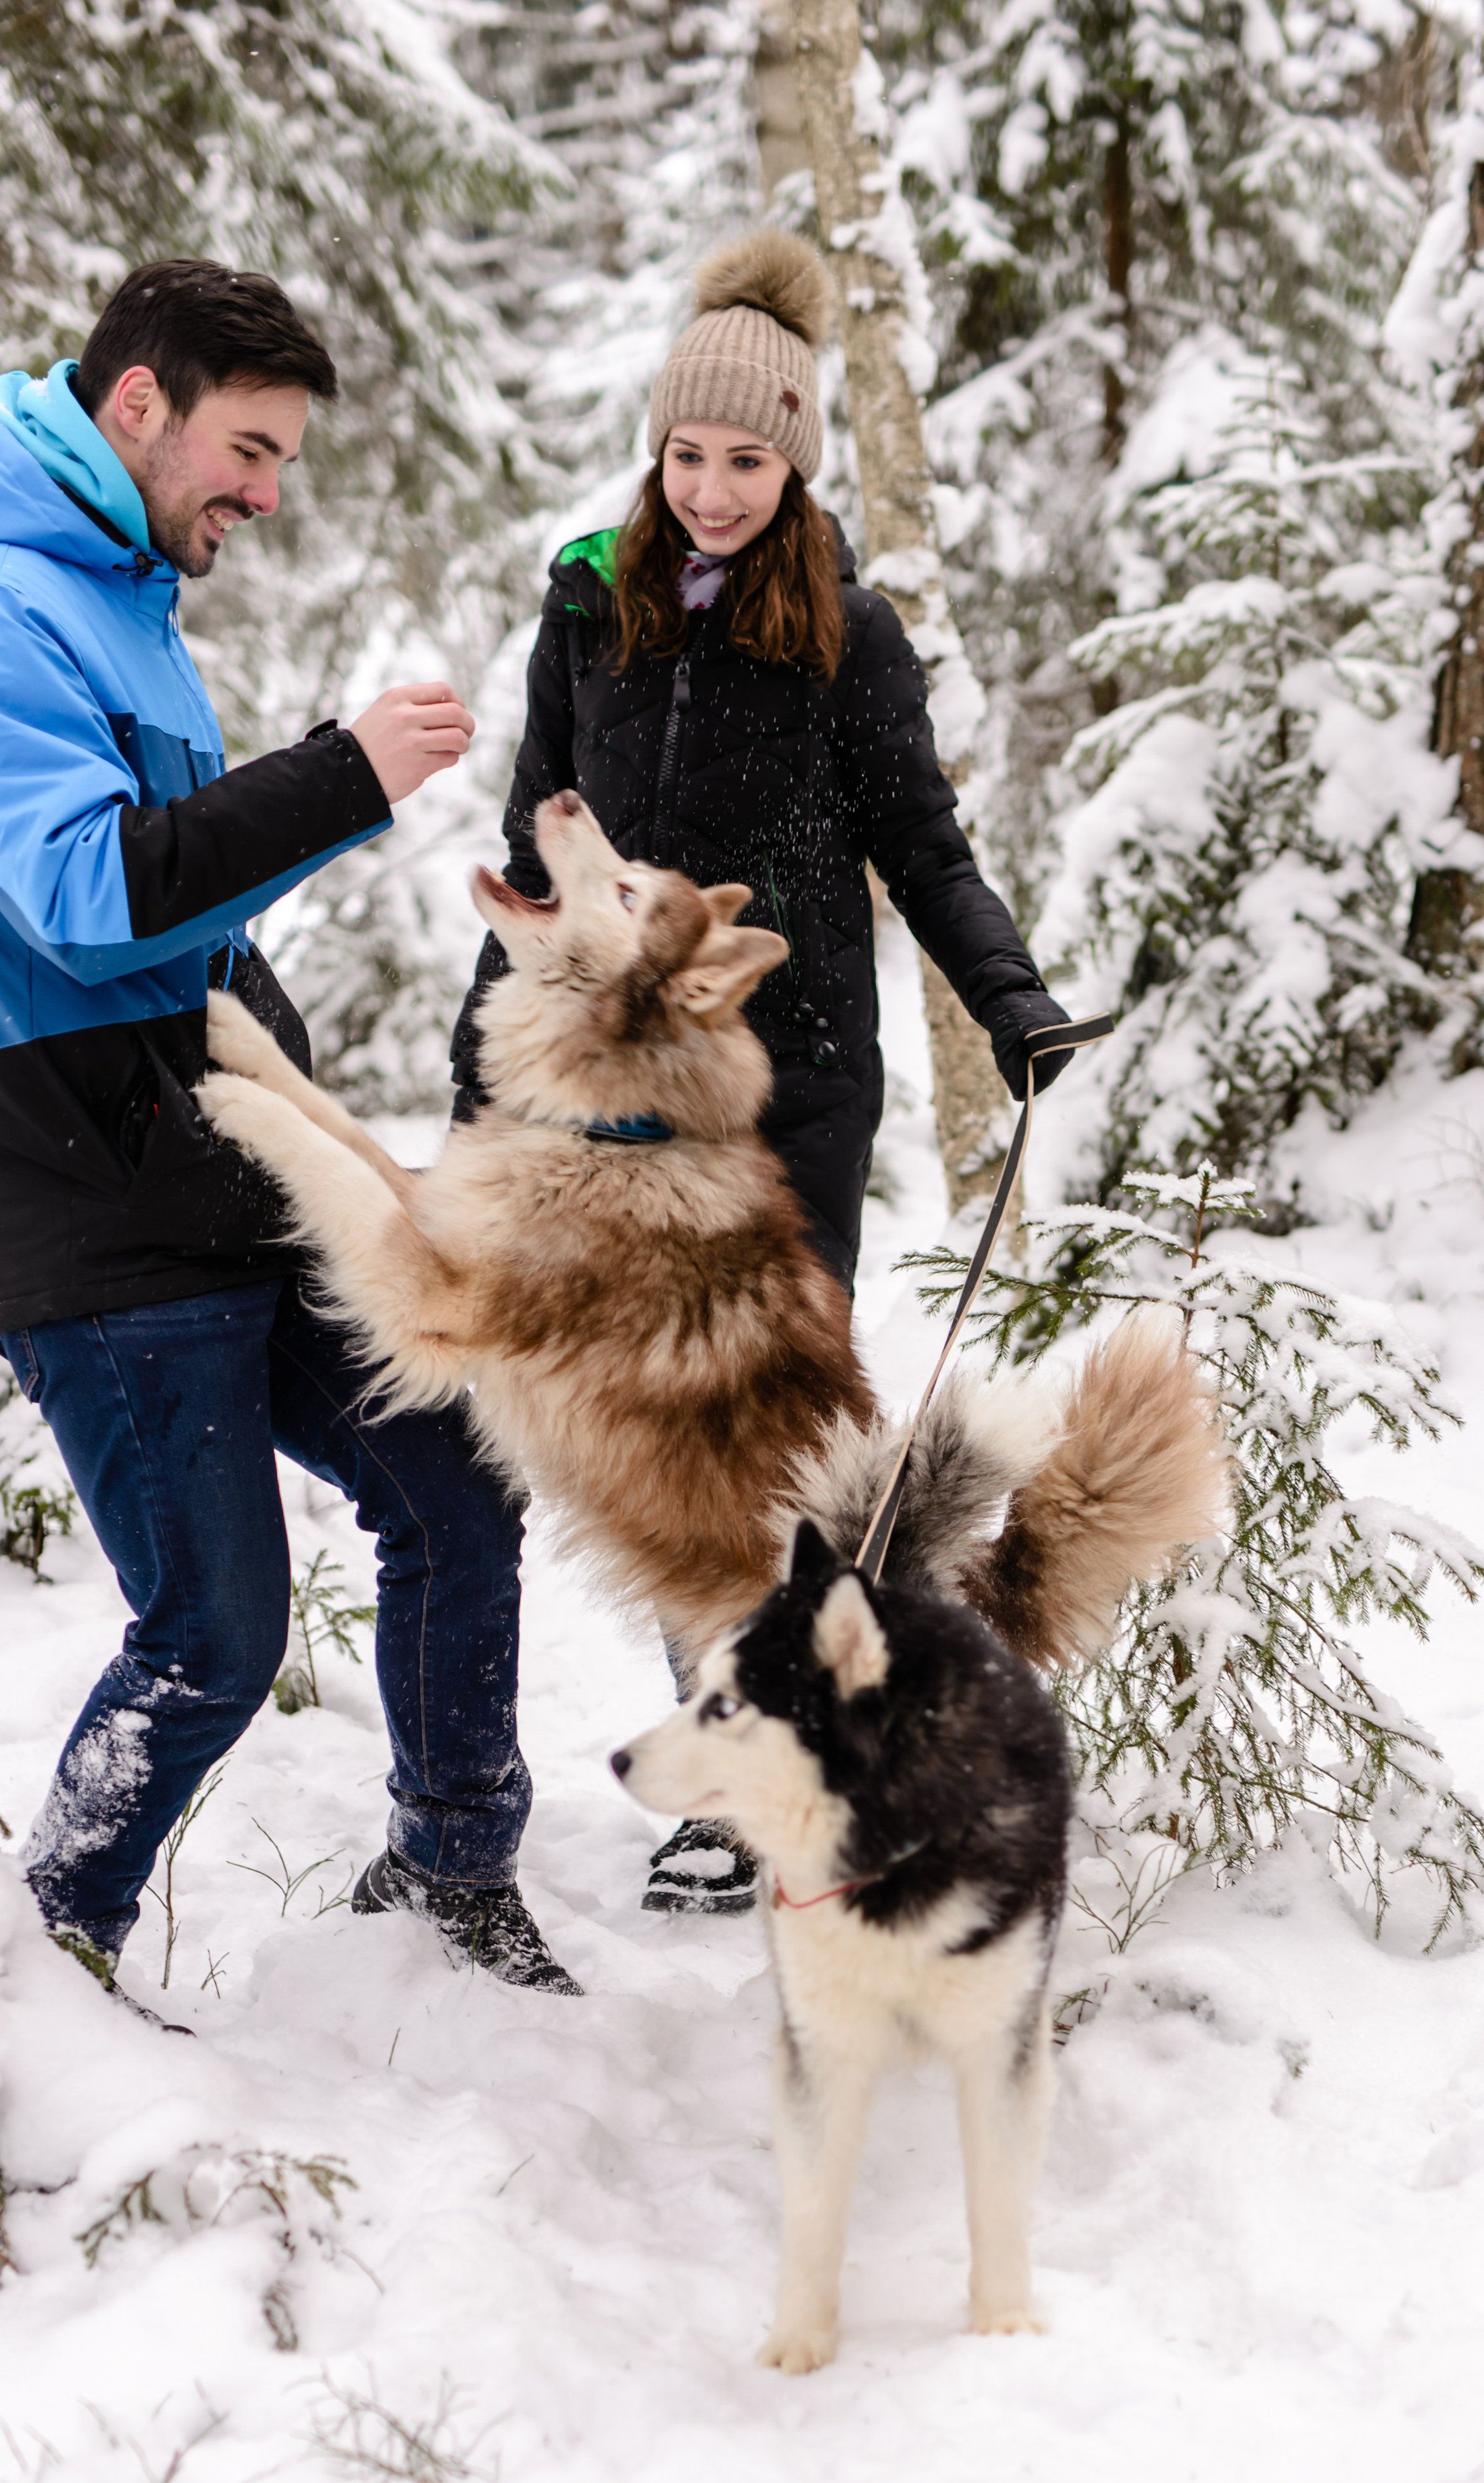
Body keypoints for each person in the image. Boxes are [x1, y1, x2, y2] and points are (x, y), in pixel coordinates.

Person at [0, 258, 579, 2007]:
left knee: (455, 1479)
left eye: (281, 461)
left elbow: (189, 921)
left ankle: (452, 1867)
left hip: (224, 1168)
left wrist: (296, 1070)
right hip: (88, 1200)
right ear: (140, 406)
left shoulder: (117, 596)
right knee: (212, 1635)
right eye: (248, 451)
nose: (265, 495)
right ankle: (43, 1967)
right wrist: (344, 772)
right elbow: (83, 896)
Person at [449, 229, 1072, 1919]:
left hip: (787, 1091)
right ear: (655, 451)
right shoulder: (589, 607)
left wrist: (1008, 999)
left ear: (795, 463)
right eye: (688, 455)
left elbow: (923, 848)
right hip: (606, 1098)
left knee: (768, 1449)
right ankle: (719, 1754)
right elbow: (536, 847)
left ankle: (789, 1763)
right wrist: (480, 1073)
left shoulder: (849, 634)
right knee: (659, 1438)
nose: (713, 491)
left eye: (747, 460)